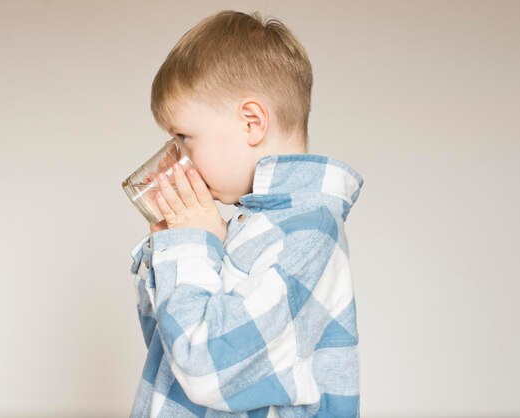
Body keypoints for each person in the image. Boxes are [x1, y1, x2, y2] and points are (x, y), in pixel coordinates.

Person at [129, 9, 364, 418]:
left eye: (184, 137)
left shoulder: (307, 234)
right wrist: (174, 243)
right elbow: (168, 354)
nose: (178, 156)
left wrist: (188, 246)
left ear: (252, 122)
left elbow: (203, 368)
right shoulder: (246, 227)